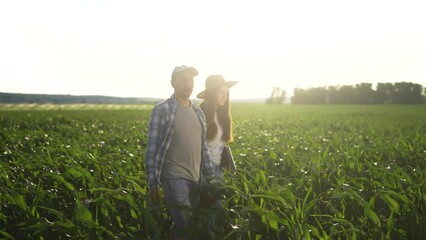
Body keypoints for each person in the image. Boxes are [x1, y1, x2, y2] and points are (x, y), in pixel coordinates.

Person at [145, 65, 215, 239]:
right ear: (172, 83)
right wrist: (153, 183)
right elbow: (152, 148)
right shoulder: (162, 110)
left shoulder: (198, 111)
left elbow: (203, 148)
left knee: (193, 228)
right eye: (183, 79)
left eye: (190, 79)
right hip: (174, 178)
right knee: (185, 226)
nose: (187, 84)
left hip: (196, 179)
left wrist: (212, 179)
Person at [197, 75, 238, 206]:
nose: (224, 96)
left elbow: (219, 145)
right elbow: (199, 147)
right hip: (202, 172)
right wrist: (209, 175)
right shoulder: (200, 114)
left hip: (217, 170)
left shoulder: (222, 115)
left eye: (226, 93)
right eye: (221, 92)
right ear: (211, 93)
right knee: (209, 210)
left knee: (214, 212)